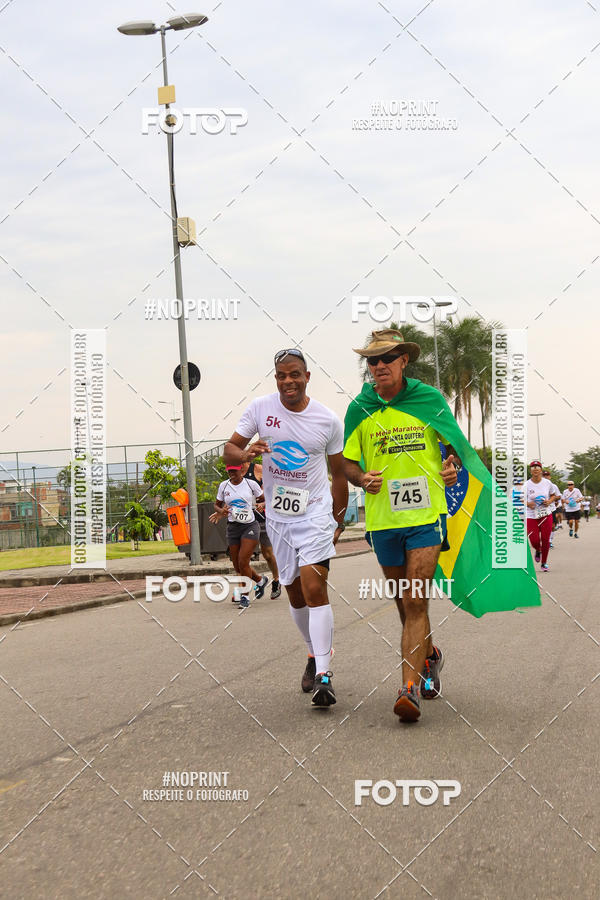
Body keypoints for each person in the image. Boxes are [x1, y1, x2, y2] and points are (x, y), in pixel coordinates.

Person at [342, 329, 459, 723]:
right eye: (372, 361)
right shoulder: (360, 408)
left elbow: (454, 442)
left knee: (413, 600)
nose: (378, 367)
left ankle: (407, 688)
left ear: (403, 360)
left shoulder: (427, 399)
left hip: (426, 516)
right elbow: (346, 462)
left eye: (386, 359)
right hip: (382, 521)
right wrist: (359, 480)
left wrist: (451, 464)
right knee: (403, 603)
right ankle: (431, 656)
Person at [223, 348, 348, 707]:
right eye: (281, 375)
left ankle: (325, 673)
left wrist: (337, 521)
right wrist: (247, 454)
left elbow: (338, 476)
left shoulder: (327, 420)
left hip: (315, 512)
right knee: (293, 592)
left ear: (307, 376)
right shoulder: (261, 409)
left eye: (294, 374)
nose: (287, 381)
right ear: (275, 378)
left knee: (314, 586)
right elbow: (230, 450)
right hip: (279, 516)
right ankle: (312, 654)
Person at [209, 465, 268, 608]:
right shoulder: (224, 486)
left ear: (241, 471)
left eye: (234, 471)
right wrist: (221, 510)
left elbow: (264, 498)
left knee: (243, 561)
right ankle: (260, 580)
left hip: (249, 526)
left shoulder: (250, 483)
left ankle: (245, 596)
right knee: (237, 565)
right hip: (233, 527)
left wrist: (262, 504)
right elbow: (216, 505)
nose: (231, 474)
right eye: (229, 471)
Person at [241, 460, 282, 598]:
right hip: (243, 520)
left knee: (268, 554)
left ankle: (276, 580)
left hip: (261, 518)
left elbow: (274, 489)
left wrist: (264, 503)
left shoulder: (258, 469)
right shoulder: (233, 472)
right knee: (241, 558)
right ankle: (244, 590)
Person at [526, 462, 559, 570]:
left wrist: (549, 501)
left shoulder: (547, 483)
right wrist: (528, 504)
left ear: (541, 470)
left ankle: (544, 563)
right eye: (533, 468)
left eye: (537, 467)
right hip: (531, 515)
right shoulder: (526, 484)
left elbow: (554, 495)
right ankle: (538, 550)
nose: (535, 469)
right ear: (531, 470)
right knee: (534, 540)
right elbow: (520, 498)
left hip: (545, 514)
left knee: (545, 539)